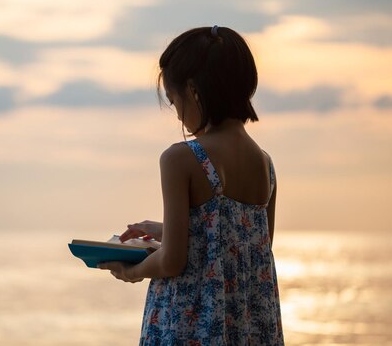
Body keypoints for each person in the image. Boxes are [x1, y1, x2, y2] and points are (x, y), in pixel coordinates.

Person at [98, 26, 284, 345]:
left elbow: (172, 261)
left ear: (193, 90)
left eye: (174, 101)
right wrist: (172, 230)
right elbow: (250, 248)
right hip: (249, 328)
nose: (178, 114)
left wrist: (132, 270)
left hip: (192, 328)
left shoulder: (182, 159)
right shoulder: (265, 165)